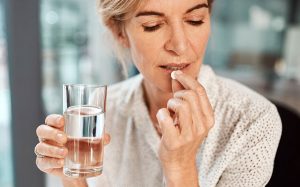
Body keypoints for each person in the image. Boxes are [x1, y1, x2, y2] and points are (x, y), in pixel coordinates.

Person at [34, 0, 282, 186]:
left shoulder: (252, 120)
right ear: (119, 32)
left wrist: (180, 165)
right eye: (153, 25)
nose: (180, 45)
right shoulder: (102, 114)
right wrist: (71, 179)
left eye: (195, 20)